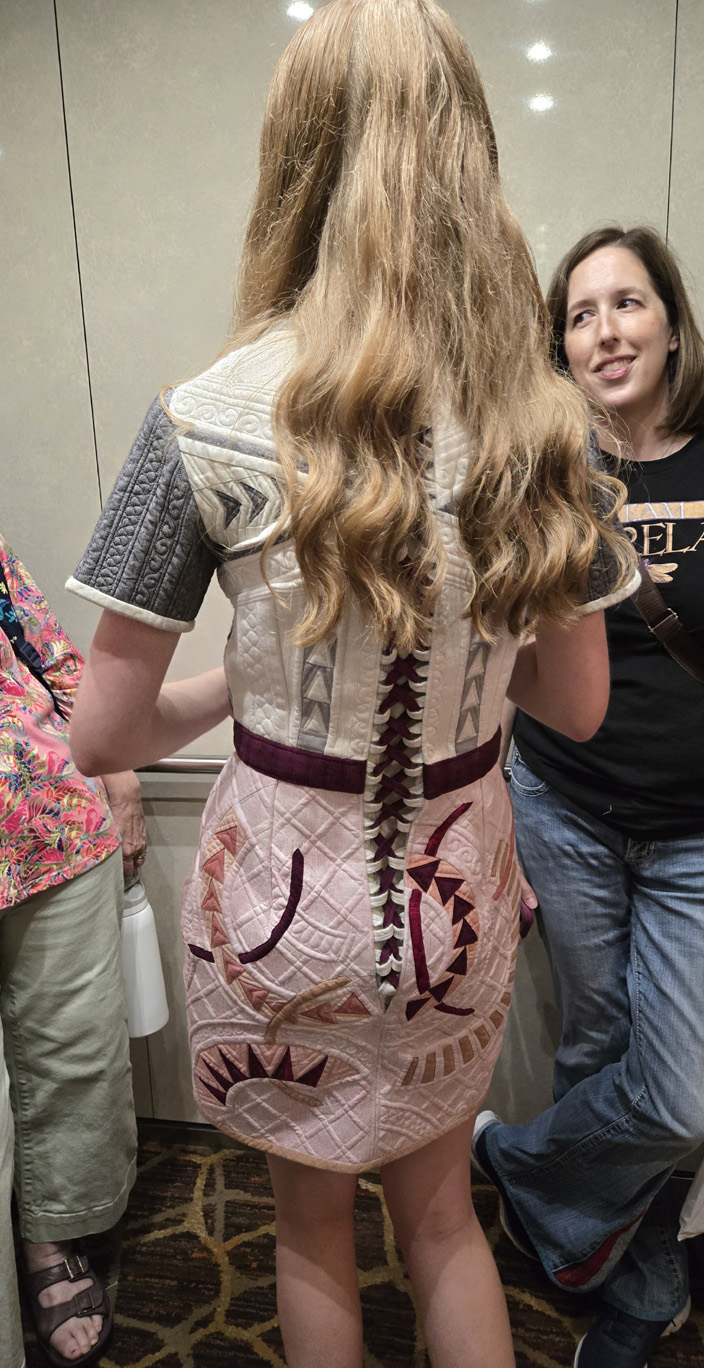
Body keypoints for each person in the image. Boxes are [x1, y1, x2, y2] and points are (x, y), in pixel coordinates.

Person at [66, 5, 637, 1365]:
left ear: (295, 161)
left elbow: (102, 734)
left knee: (308, 1231)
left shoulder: (200, 420)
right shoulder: (546, 428)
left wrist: (238, 686)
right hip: (458, 896)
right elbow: (577, 707)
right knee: (441, 1221)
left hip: (274, 907)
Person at [473, 225, 704, 1368]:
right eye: (578, 315)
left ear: (670, 322)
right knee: (595, 1042)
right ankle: (631, 1287)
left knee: (678, 1096)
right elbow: (496, 645)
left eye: (626, 303)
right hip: (562, 805)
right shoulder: (543, 472)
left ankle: (509, 1162)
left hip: (692, 830)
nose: (604, 332)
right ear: (557, 346)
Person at [0, 533, 142, 1368]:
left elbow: (46, 648)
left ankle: (51, 1240)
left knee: (74, 1055)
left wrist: (119, 774)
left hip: (51, 822)